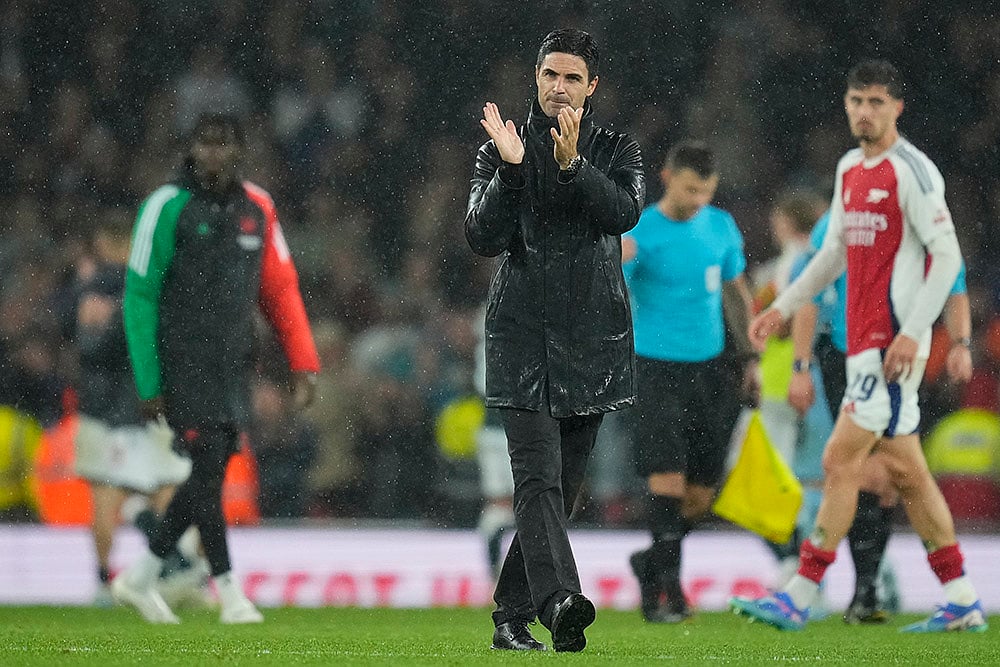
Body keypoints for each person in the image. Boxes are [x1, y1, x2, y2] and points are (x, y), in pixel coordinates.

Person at [732, 59, 986, 633]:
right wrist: (783, 306)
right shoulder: (850, 167)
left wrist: (913, 332)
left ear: (897, 108)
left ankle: (799, 594)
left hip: (891, 348)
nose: (865, 112)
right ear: (846, 105)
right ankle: (962, 599)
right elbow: (832, 255)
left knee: (837, 461)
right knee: (909, 473)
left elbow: (948, 256)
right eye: (856, 101)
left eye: (876, 102)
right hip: (863, 345)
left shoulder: (914, 172)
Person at [465, 28, 644, 652]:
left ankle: (509, 617)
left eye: (572, 78)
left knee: (559, 490)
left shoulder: (617, 149)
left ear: (591, 87)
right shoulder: (501, 149)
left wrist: (573, 168)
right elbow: (481, 236)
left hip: (593, 339)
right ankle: (562, 600)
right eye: (550, 75)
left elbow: (623, 213)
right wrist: (514, 172)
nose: (559, 87)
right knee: (538, 481)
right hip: (520, 336)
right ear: (535, 78)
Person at [111, 112, 320, 624]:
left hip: (233, 363)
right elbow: (140, 296)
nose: (213, 153)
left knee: (208, 474)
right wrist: (149, 380)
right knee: (207, 470)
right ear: (190, 148)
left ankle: (140, 577)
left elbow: (280, 289)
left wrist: (303, 361)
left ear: (240, 149)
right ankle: (229, 592)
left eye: (222, 143)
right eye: (204, 143)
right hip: (181, 362)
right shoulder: (165, 206)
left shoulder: (258, 207)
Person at [786, 209, 973, 624]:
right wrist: (801, 366)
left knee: (875, 471)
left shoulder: (924, 219)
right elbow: (809, 293)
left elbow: (954, 284)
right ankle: (876, 590)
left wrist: (961, 342)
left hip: (897, 357)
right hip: (844, 356)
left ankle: (827, 589)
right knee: (877, 469)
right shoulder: (836, 220)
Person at [621, 140, 758, 623]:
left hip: (711, 371)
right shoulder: (639, 231)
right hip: (654, 369)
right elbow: (612, 288)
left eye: (704, 191)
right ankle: (669, 594)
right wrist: (618, 259)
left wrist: (752, 358)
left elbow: (736, 293)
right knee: (668, 480)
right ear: (667, 178)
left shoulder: (721, 227)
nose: (697, 199)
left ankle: (650, 563)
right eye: (688, 190)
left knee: (701, 496)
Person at [69, 210, 202, 608]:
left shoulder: (99, 287)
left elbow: (90, 348)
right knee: (161, 490)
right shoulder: (149, 283)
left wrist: (99, 317)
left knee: (114, 494)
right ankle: (172, 570)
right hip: (144, 407)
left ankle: (110, 580)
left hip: (115, 410)